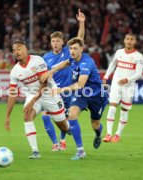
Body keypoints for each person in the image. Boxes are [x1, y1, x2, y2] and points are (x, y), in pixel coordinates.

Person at [41, 37, 108, 160]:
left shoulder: (87, 62)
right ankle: (80, 150)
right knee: (72, 114)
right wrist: (52, 71)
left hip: (96, 96)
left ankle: (98, 135)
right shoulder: (72, 58)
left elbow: (81, 84)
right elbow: (66, 62)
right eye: (71, 48)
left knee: (95, 124)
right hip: (81, 95)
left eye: (75, 48)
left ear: (81, 49)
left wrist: (60, 90)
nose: (72, 50)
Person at [5, 41, 71, 159]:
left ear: (25, 49)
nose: (16, 52)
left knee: (63, 127)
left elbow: (44, 84)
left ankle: (68, 127)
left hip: (49, 93)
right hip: (33, 94)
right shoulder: (15, 71)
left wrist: (31, 101)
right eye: (14, 50)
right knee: (27, 116)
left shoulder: (37, 60)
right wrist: (7, 116)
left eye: (19, 49)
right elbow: (12, 94)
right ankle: (35, 151)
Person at [40, 9, 85, 151]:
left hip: (66, 91)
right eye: (53, 41)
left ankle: (62, 139)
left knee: (63, 118)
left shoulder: (68, 51)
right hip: (52, 92)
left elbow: (80, 39)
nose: (55, 43)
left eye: (58, 41)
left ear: (62, 42)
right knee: (45, 116)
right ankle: (55, 143)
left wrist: (82, 23)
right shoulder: (46, 57)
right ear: (50, 42)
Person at [102, 33, 143, 143]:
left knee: (124, 111)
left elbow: (139, 74)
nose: (129, 41)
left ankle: (117, 135)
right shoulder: (119, 52)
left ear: (135, 42)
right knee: (112, 108)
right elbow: (112, 65)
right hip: (116, 84)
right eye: (127, 39)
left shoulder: (139, 56)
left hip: (128, 86)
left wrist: (127, 79)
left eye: (132, 39)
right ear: (124, 41)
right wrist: (106, 76)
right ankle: (108, 134)